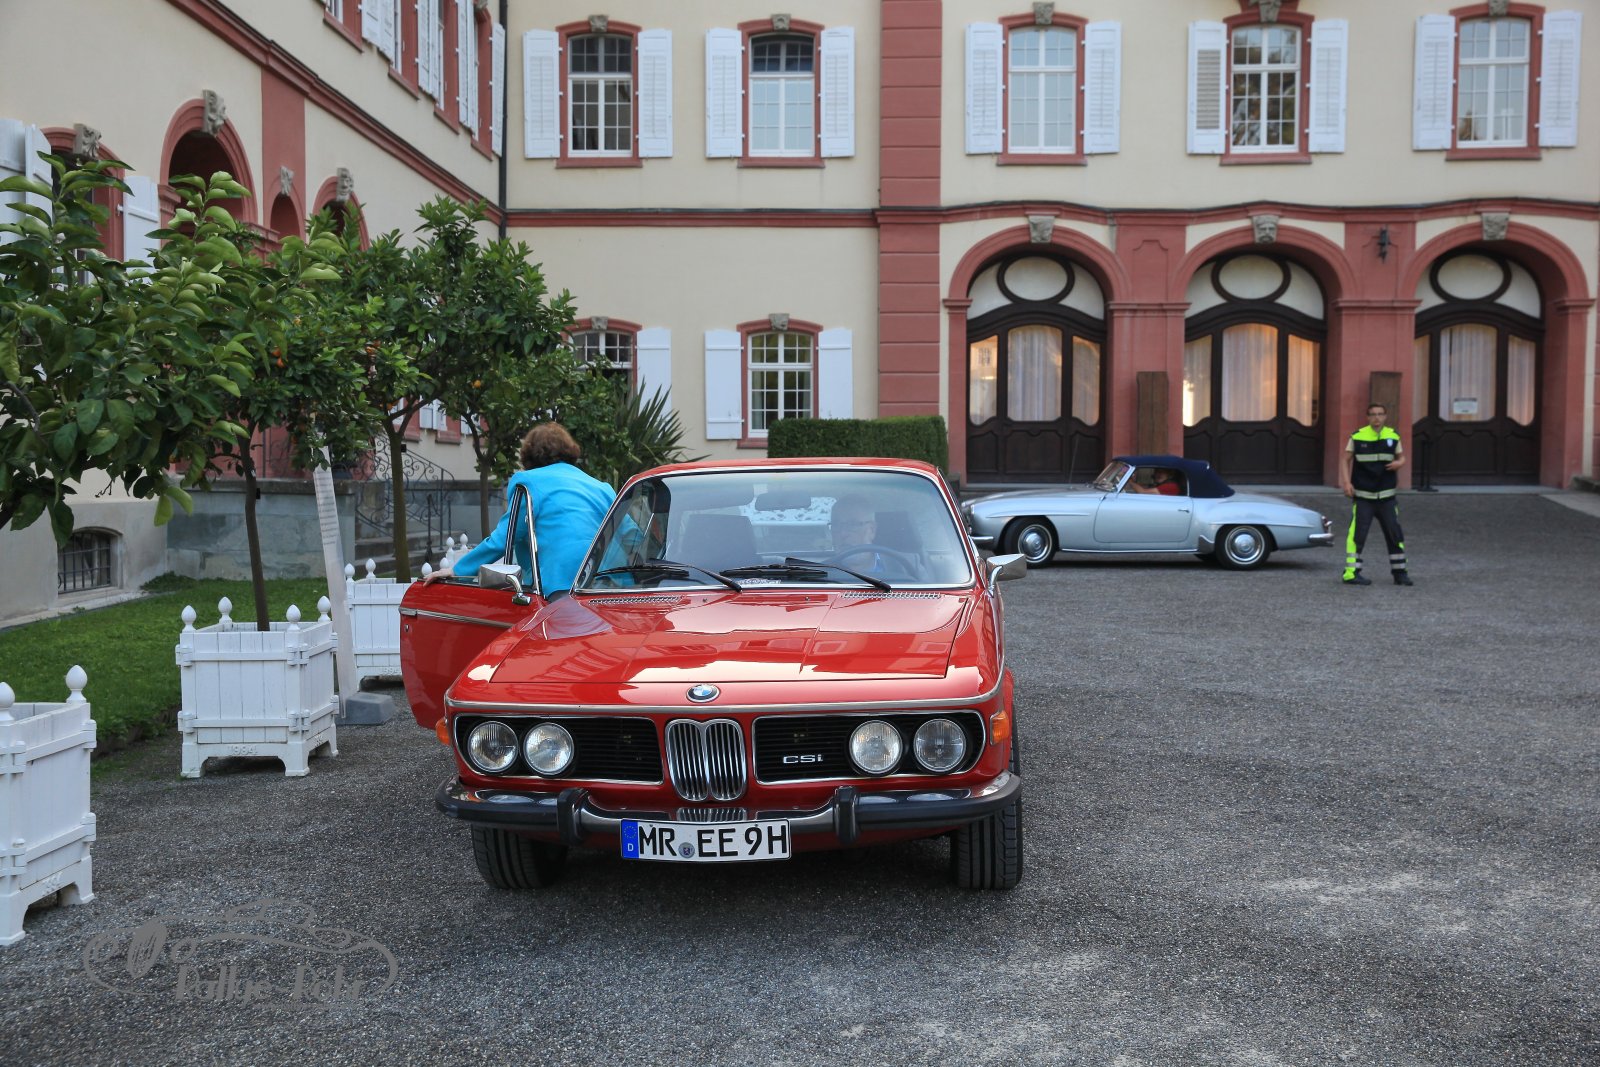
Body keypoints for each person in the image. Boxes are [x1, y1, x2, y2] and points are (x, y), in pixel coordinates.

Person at [427, 422, 614, 596]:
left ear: (529, 456)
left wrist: (456, 570)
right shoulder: (602, 488)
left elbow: (503, 539)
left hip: (558, 589)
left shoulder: (528, 482)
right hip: (609, 587)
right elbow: (627, 535)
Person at [1340, 402, 1412, 587]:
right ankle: (1351, 573)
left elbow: (1401, 457)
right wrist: (1346, 483)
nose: (1377, 418)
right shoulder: (1357, 436)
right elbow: (1345, 459)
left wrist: (1400, 463)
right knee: (1357, 536)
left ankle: (1400, 574)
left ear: (1385, 417)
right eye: (1373, 414)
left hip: (1387, 498)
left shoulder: (1393, 435)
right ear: (1368, 417)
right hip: (1363, 497)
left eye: (1380, 414)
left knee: (1395, 535)